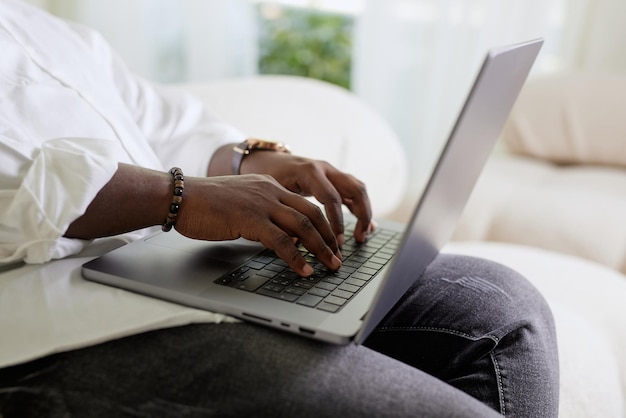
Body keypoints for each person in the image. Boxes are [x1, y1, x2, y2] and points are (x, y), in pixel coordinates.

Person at [0, 1, 559, 417]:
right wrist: (181, 197)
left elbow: (161, 123)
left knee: (505, 310)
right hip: (58, 332)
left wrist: (251, 163)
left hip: (171, 264)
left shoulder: (40, 26)